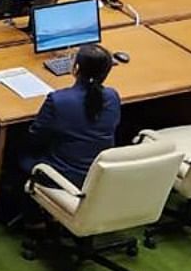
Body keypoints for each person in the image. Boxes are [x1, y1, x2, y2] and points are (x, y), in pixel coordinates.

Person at [19, 44, 121, 190]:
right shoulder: (112, 96)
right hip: (97, 175)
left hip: (62, 177)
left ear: (76, 68)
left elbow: (35, 138)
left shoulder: (59, 100)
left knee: (16, 149)